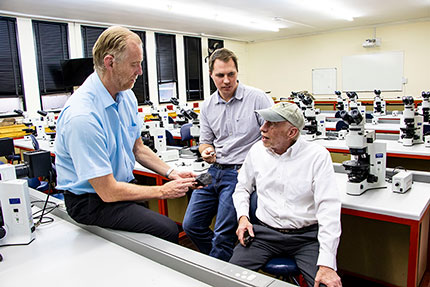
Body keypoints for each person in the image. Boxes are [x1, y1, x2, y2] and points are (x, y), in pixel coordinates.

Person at [55, 26, 196, 243]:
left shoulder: (126, 96)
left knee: (153, 222)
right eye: (134, 64)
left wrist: (172, 172)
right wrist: (162, 191)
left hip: (118, 188)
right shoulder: (82, 116)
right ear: (110, 62)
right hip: (90, 201)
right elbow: (108, 192)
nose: (140, 71)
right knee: (166, 229)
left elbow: (137, 148)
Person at [229, 102, 342, 287]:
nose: (262, 128)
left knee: (326, 284)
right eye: (264, 122)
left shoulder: (317, 156)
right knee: (229, 278)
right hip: (265, 234)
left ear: (292, 132)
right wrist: (243, 217)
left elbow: (328, 208)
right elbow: (242, 188)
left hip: (306, 238)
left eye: (271, 124)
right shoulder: (257, 151)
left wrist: (327, 264)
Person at [182, 48, 274, 261]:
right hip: (214, 171)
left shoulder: (257, 98)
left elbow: (272, 137)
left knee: (223, 233)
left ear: (237, 73)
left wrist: (252, 165)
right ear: (211, 75)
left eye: (230, 74)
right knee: (191, 225)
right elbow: (205, 142)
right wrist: (206, 151)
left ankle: (219, 271)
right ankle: (228, 263)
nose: (226, 80)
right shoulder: (207, 106)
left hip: (239, 173)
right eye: (220, 75)